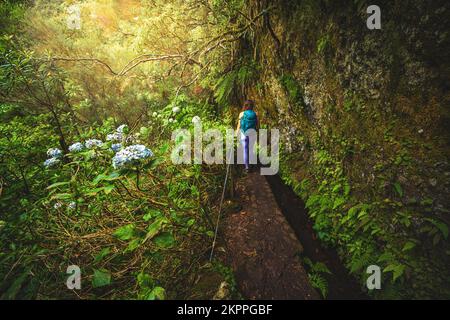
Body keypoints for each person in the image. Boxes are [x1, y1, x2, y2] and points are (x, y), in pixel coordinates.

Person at [236, 100, 258, 172]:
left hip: (244, 133)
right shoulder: (255, 114)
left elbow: (239, 124)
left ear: (245, 106)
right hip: (252, 133)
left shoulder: (242, 114)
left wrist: (236, 132)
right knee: (251, 149)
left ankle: (247, 167)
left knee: (245, 150)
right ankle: (252, 165)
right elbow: (257, 125)